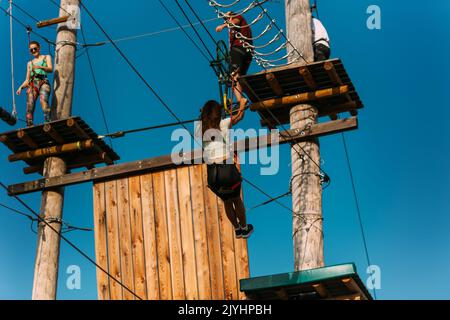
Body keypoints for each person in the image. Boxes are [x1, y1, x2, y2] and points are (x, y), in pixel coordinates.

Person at [199, 100, 253, 239]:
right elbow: (239, 116)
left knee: (227, 201)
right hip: (227, 170)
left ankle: (237, 229)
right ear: (218, 114)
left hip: (213, 175)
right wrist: (242, 105)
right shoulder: (223, 124)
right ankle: (245, 228)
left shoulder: (201, 130)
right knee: (236, 199)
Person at [216, 12, 253, 111]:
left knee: (233, 75)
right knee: (238, 78)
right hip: (247, 53)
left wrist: (222, 26)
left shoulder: (237, 17)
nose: (226, 20)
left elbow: (234, 23)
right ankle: (240, 99)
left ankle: (241, 100)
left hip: (239, 48)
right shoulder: (236, 29)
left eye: (227, 18)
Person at [16, 41, 53, 127]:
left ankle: (48, 121)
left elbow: (50, 69)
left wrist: (40, 67)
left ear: (39, 48)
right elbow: (27, 80)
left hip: (43, 81)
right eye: (31, 50)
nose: (33, 51)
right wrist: (21, 87)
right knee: (30, 104)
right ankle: (29, 123)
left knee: (43, 100)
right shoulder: (29, 63)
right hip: (33, 83)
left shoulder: (46, 57)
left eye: (35, 49)